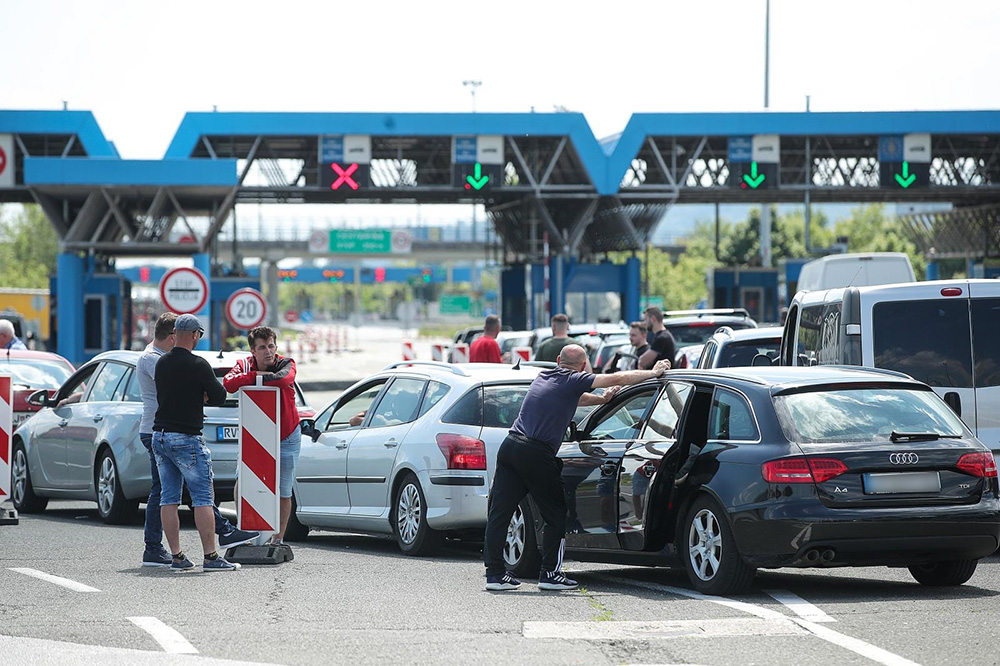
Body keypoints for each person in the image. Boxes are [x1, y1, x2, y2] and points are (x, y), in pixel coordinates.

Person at [482, 344, 671, 591]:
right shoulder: (574, 379)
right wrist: (653, 373)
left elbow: (577, 397)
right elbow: (618, 377)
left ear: (559, 359)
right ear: (583, 366)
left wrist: (602, 400)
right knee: (556, 513)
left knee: (500, 513)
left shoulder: (544, 377)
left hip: (511, 446)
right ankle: (550, 573)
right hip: (536, 453)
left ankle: (495, 575)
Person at [138, 313, 258, 568]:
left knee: (168, 498)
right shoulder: (198, 364)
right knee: (202, 497)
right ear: (194, 335)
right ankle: (211, 556)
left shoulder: (161, 363)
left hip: (159, 436)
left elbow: (168, 394)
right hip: (186, 437)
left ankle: (176, 556)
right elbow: (219, 395)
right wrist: (200, 395)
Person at [223, 326, 301, 547]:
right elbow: (229, 383)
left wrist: (254, 379)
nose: (268, 352)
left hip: (287, 435)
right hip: (255, 435)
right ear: (252, 351)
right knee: (243, 481)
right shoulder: (244, 365)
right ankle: (244, 530)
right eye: (262, 347)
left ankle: (278, 539)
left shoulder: (287, 362)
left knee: (284, 489)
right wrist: (257, 375)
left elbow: (284, 379)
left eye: (271, 346)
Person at [639, 307, 676, 371]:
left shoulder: (662, 338)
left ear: (653, 319)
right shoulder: (663, 335)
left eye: (646, 319)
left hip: (664, 378)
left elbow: (642, 362)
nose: (645, 323)